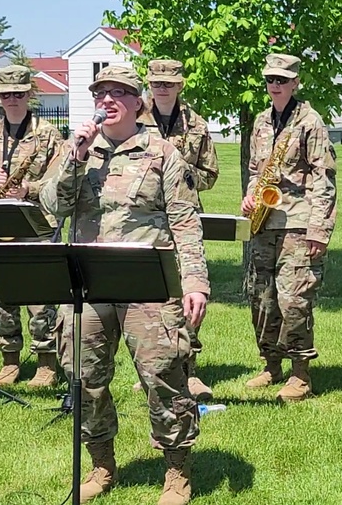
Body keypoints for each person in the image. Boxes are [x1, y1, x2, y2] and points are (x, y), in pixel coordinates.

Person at [40, 65, 209, 504]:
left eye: (118, 93)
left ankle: (176, 472)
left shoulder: (164, 153)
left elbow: (186, 224)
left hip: (147, 284)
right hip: (88, 284)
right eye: (101, 93)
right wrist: (74, 158)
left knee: (162, 377)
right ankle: (101, 464)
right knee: (83, 374)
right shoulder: (79, 150)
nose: (108, 100)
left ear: (138, 102)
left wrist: (194, 282)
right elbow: (51, 207)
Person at [239, 53, 336, 402]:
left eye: (282, 80)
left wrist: (318, 230)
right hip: (264, 222)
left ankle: (301, 374)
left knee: (294, 299)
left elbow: (323, 178)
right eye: (270, 80)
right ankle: (271, 364)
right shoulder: (262, 121)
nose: (275, 85)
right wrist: (250, 196)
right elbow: (254, 171)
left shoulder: (310, 121)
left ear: (295, 82)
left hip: (298, 221)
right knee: (261, 298)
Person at [0, 65, 64, 388]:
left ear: (29, 95)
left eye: (18, 94)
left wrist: (29, 189)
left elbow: (61, 180)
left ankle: (46, 364)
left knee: (41, 296)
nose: (12, 100)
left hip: (37, 224)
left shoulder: (48, 134)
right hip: (0, 223)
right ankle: (9, 360)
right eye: (5, 94)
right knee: (1, 295)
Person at [137, 58, 219, 400]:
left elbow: (210, 175)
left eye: (168, 83)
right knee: (147, 297)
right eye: (156, 83)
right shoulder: (135, 120)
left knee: (188, 292)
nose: (162, 88)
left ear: (180, 85)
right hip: (143, 219)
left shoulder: (196, 125)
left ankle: (189, 369)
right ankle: (150, 366)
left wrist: (182, 170)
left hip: (182, 218)